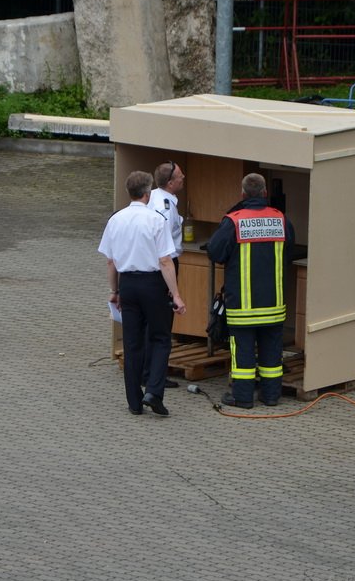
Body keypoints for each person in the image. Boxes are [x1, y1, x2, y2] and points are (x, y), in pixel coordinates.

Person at [99, 170, 186, 416]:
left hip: (128, 284)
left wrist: (114, 291)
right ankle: (154, 392)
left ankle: (134, 402)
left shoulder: (115, 220)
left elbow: (110, 261)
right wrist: (176, 295)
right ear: (148, 194)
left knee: (132, 342)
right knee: (159, 338)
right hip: (152, 284)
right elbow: (166, 261)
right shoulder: (156, 220)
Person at [206, 173, 294, 408]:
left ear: (243, 194)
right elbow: (290, 250)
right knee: (272, 354)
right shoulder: (280, 219)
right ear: (265, 193)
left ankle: (243, 397)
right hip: (273, 304)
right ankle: (271, 396)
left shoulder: (234, 221)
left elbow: (214, 251)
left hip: (243, 306)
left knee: (243, 352)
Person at [145, 160, 186, 388]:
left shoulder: (151, 198)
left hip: (151, 265)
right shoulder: (166, 207)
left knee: (151, 322)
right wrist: (174, 290)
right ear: (170, 183)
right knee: (161, 323)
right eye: (180, 175)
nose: (184, 177)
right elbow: (165, 247)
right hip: (164, 264)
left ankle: (147, 370)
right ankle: (154, 374)